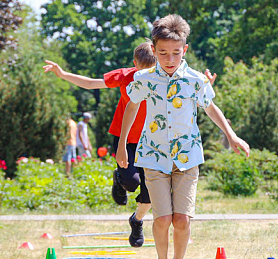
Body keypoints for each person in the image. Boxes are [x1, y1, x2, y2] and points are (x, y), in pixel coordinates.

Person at [117, 14, 249, 259]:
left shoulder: (195, 80)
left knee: (182, 219)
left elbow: (211, 108)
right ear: (153, 49)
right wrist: (123, 146)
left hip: (188, 158)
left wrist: (232, 135)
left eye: (175, 53)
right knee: (162, 218)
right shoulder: (144, 79)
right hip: (153, 156)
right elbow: (131, 107)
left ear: (184, 50)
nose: (169, 58)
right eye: (162, 53)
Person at [44, 44, 216, 247]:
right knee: (131, 181)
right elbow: (92, 83)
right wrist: (62, 74)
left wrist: (205, 85)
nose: (146, 75)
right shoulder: (126, 76)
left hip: (151, 142)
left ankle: (137, 220)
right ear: (135, 65)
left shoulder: (165, 76)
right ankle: (119, 179)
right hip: (125, 140)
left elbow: (189, 102)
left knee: (147, 195)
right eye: (141, 70)